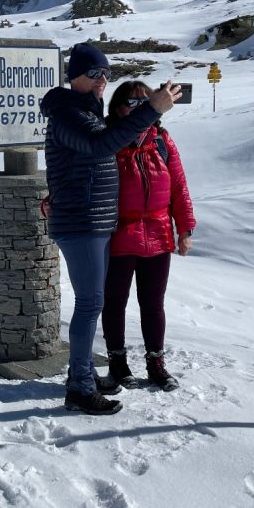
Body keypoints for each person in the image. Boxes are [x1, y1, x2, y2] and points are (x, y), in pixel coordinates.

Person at [39, 43, 180, 416]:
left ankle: (83, 373)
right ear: (75, 77)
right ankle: (80, 389)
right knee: (90, 305)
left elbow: (82, 161)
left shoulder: (86, 112)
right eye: (94, 73)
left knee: (93, 302)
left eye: (106, 73)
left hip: (95, 220)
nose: (102, 80)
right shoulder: (69, 115)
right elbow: (100, 146)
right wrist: (151, 109)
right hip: (83, 222)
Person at [101, 80, 196, 392]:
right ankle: (117, 363)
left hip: (157, 234)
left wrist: (185, 229)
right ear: (118, 108)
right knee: (115, 302)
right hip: (118, 236)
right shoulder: (108, 140)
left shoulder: (161, 140)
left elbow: (179, 187)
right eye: (133, 102)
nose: (141, 108)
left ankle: (156, 363)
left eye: (146, 101)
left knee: (153, 304)